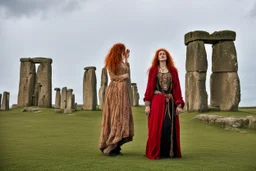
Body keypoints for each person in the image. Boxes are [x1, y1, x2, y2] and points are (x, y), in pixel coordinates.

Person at [143, 48, 184, 160]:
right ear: (157, 57)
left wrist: (179, 104)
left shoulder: (173, 71)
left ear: (167, 56)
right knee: (156, 127)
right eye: (160, 54)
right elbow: (149, 87)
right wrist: (147, 104)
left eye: (164, 54)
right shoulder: (153, 70)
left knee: (168, 125)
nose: (162, 55)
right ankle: (156, 152)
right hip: (157, 100)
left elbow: (177, 88)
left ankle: (169, 152)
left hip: (170, 102)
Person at [99, 43, 134, 156]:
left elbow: (127, 71)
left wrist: (126, 59)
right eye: (122, 50)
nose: (124, 52)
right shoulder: (111, 63)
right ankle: (110, 145)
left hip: (123, 91)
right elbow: (113, 77)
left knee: (122, 114)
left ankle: (116, 146)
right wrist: (123, 77)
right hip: (115, 91)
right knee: (116, 114)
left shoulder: (122, 62)